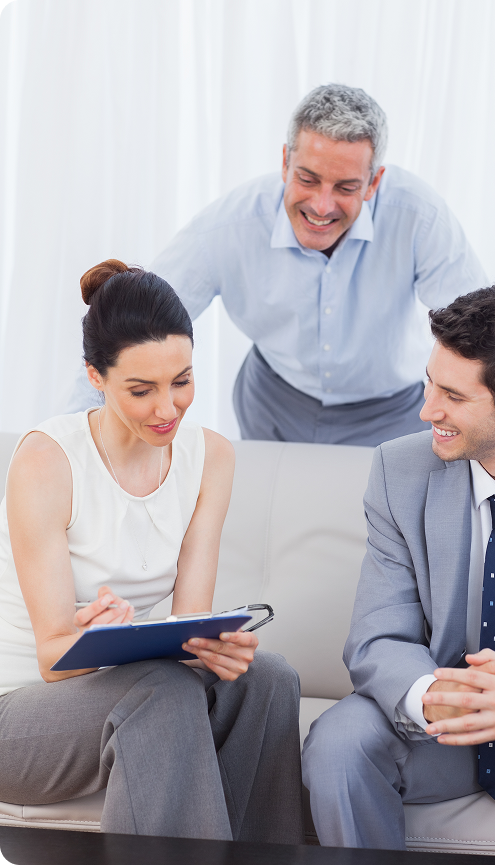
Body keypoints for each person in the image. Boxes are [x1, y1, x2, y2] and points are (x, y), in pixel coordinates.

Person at [0, 259, 303, 843]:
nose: (168, 409)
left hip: (130, 684)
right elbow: (52, 659)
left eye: (182, 381)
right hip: (23, 710)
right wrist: (95, 640)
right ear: (96, 376)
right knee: (159, 694)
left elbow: (187, 630)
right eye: (141, 390)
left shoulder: (210, 458)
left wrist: (213, 648)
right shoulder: (47, 459)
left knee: (268, 678)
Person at [302, 284, 495, 849]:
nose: (428, 410)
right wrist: (432, 693)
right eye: (431, 383)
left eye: (453, 395)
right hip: (445, 732)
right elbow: (378, 634)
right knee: (340, 741)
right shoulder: (398, 472)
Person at [67, 84, 487, 447]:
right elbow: (129, 322)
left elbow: (480, 335)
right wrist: (68, 439)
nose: (322, 206)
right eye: (307, 179)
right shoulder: (228, 227)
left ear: (374, 183)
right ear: (285, 162)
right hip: (273, 402)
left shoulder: (420, 216)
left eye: (345, 187)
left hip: (390, 411)